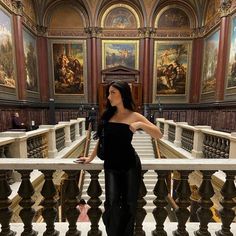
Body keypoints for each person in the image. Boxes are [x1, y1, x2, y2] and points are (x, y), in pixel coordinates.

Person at [78, 80, 162, 236]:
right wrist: (90, 157)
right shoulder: (108, 114)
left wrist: (140, 125)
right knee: (111, 204)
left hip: (130, 164)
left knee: (130, 204)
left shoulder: (134, 115)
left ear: (123, 95)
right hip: (111, 165)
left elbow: (159, 134)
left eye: (112, 93)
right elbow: (102, 140)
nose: (109, 97)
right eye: (108, 93)